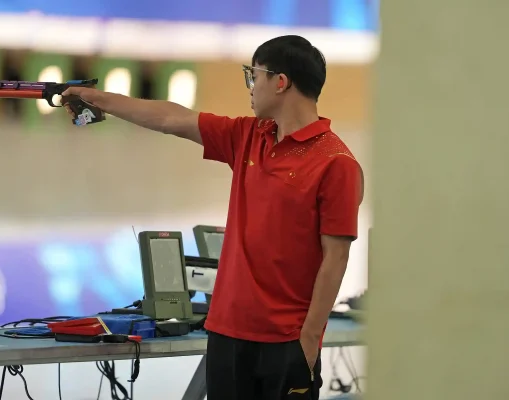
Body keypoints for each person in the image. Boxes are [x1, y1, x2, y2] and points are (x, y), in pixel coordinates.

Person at [62, 35, 363, 400]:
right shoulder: (248, 136)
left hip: (287, 342)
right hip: (227, 333)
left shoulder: (337, 163)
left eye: (254, 76)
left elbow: (336, 258)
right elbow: (171, 118)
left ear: (280, 82)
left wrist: (309, 341)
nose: (250, 87)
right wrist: (99, 99)